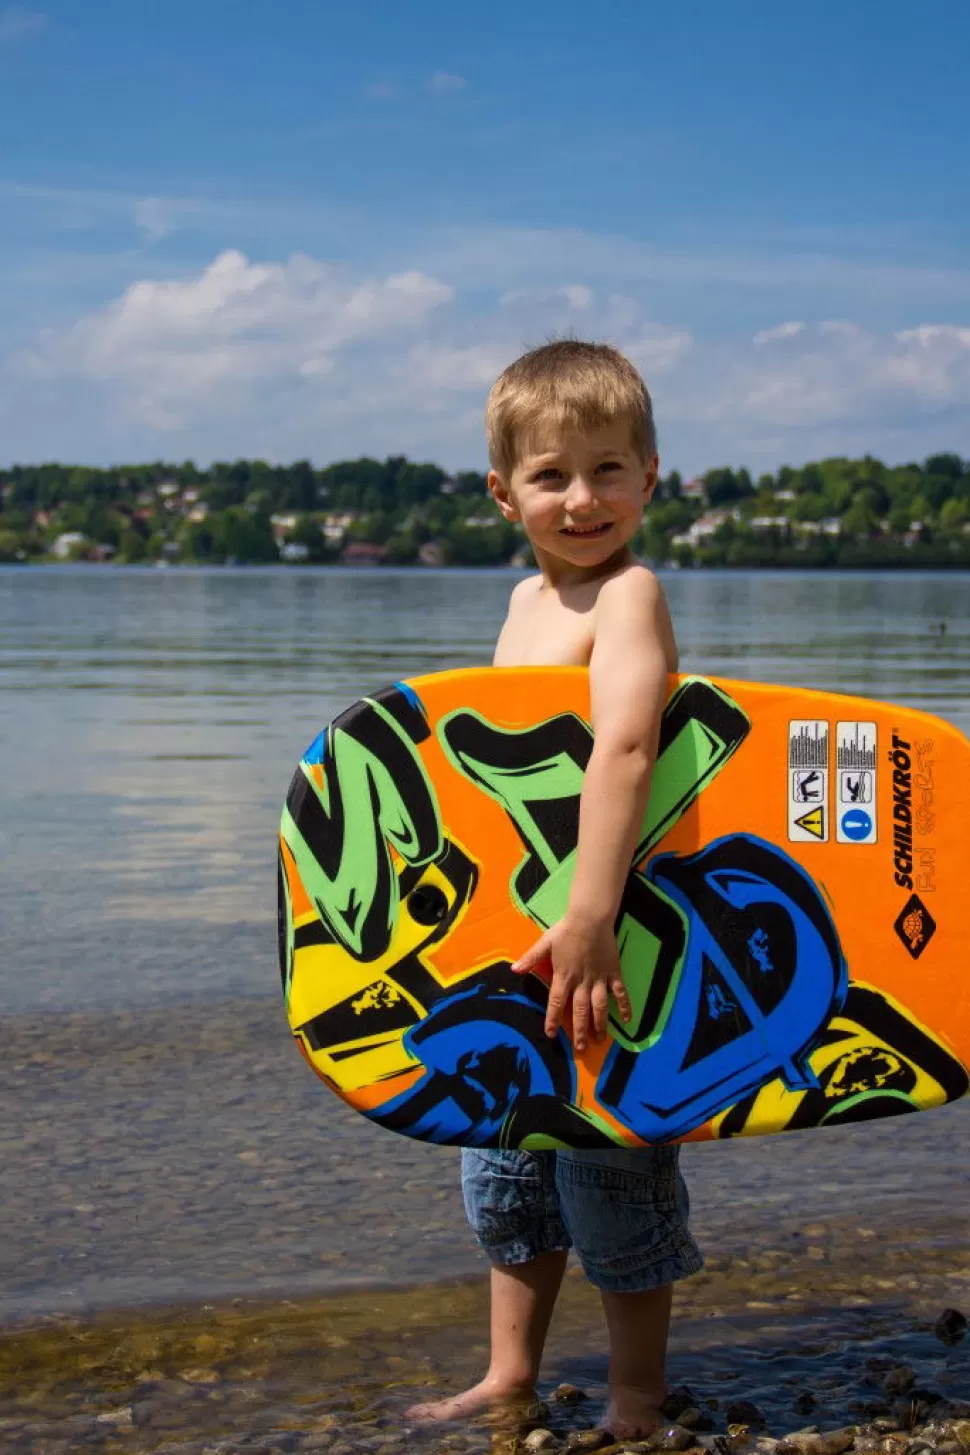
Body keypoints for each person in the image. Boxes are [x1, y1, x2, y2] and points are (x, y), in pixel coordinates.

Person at [408, 339, 703, 1441]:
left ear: (651, 476)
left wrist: (589, 920)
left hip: (611, 935)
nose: (582, 499)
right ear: (503, 494)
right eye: (550, 475)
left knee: (615, 1176)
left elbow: (624, 749)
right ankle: (507, 1372)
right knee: (506, 1173)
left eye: (608, 469)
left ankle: (634, 1398)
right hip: (520, 941)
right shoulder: (526, 603)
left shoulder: (629, 595)